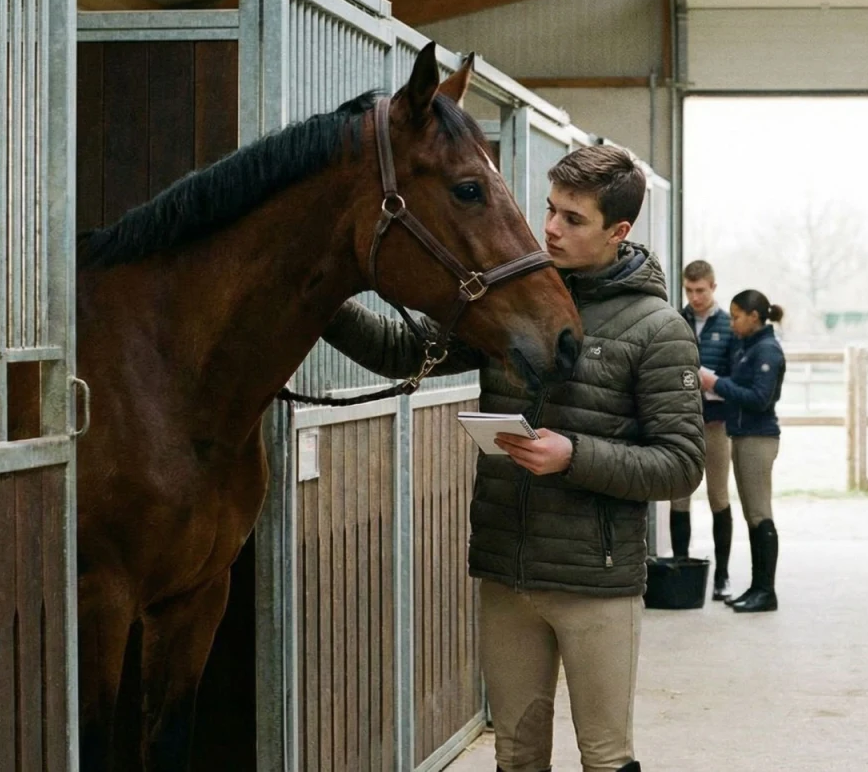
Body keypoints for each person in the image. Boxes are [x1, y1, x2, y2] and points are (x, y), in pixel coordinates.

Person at [323, 145, 704, 772]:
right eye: (549, 210)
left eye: (573, 219)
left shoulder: (657, 328)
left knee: (605, 756)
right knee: (516, 753)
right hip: (507, 570)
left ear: (619, 231)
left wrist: (572, 455)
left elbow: (681, 463)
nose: (550, 228)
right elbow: (402, 350)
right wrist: (319, 300)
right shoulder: (508, 300)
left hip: (594, 582)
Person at [699, 290, 786, 614]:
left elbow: (759, 398)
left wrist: (714, 384)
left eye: (736, 316)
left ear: (753, 316)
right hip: (743, 436)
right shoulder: (749, 346)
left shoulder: (766, 351)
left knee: (760, 514)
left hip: (757, 439)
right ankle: (757, 587)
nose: (732, 322)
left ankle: (766, 590)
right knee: (752, 515)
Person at [671, 260, 738, 600]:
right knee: (678, 495)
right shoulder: (674, 322)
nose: (694, 297)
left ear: (713, 287)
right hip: (681, 422)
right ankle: (680, 567)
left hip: (715, 422)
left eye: (700, 290)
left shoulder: (728, 327)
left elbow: (735, 378)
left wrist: (711, 383)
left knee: (718, 496)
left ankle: (722, 576)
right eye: (689, 291)